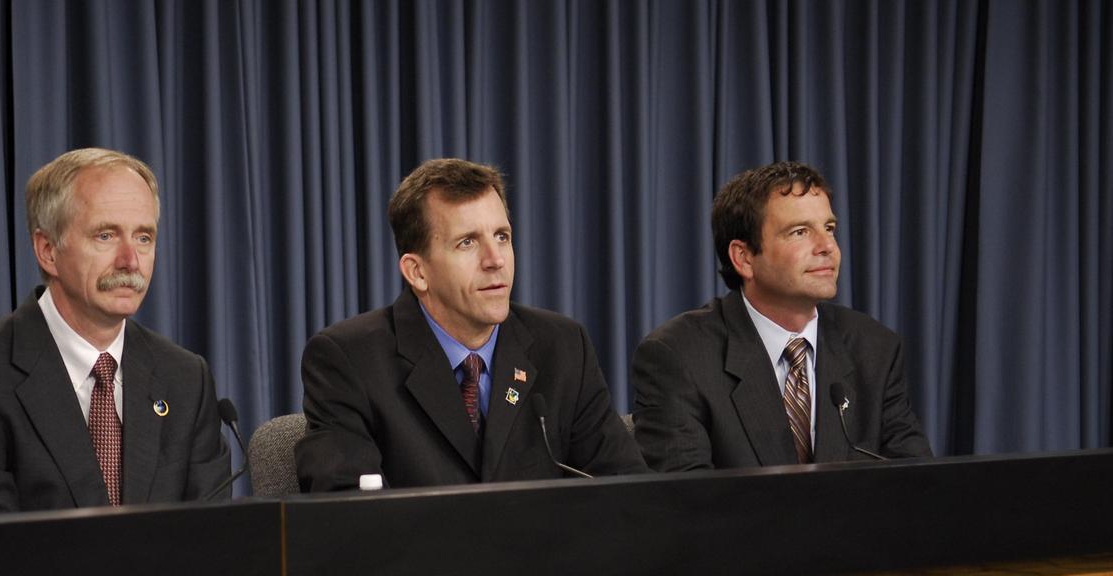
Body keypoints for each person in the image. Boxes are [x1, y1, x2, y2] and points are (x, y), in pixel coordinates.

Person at [295, 157, 646, 491]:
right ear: (417, 272)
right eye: (467, 242)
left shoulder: (562, 346)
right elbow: (347, 519)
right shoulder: (349, 360)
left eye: (502, 237)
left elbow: (626, 492)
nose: (495, 260)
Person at [0, 147, 231, 514]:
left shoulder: (185, 379)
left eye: (143, 237)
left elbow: (212, 540)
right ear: (48, 250)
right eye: (106, 236)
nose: (130, 260)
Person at [632, 161, 931, 470]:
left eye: (829, 229)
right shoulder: (680, 355)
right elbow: (683, 504)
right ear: (744, 257)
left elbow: (918, 488)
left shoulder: (874, 348)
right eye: (800, 232)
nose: (827, 246)